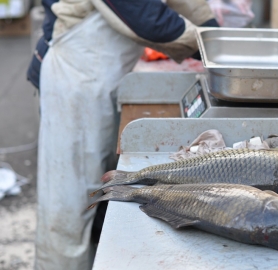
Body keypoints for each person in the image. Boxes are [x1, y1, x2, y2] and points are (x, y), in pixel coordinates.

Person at [26, 1, 219, 269]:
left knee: (98, 194)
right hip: (76, 77)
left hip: (103, 76)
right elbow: (141, 13)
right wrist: (213, 46)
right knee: (70, 207)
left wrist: (214, 29)